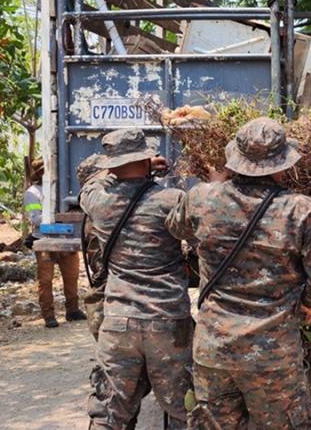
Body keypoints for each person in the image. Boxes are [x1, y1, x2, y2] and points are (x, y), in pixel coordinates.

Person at [167, 117, 311, 429]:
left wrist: (216, 187)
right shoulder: (300, 210)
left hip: (213, 350)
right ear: (281, 165)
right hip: (273, 355)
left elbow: (175, 227)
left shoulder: (203, 198)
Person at [80, 129, 192, 429]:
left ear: (111, 163)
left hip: (118, 321)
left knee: (109, 411)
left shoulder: (96, 200)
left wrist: (126, 167)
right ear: (145, 158)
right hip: (168, 320)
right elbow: (197, 237)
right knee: (185, 408)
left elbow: (91, 181)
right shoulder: (172, 200)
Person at [23, 157, 86, 328]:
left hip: (66, 241)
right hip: (45, 242)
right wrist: (60, 222)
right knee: (45, 280)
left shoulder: (63, 191)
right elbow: (35, 219)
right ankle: (48, 315)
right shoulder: (32, 193)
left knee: (72, 277)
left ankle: (73, 310)